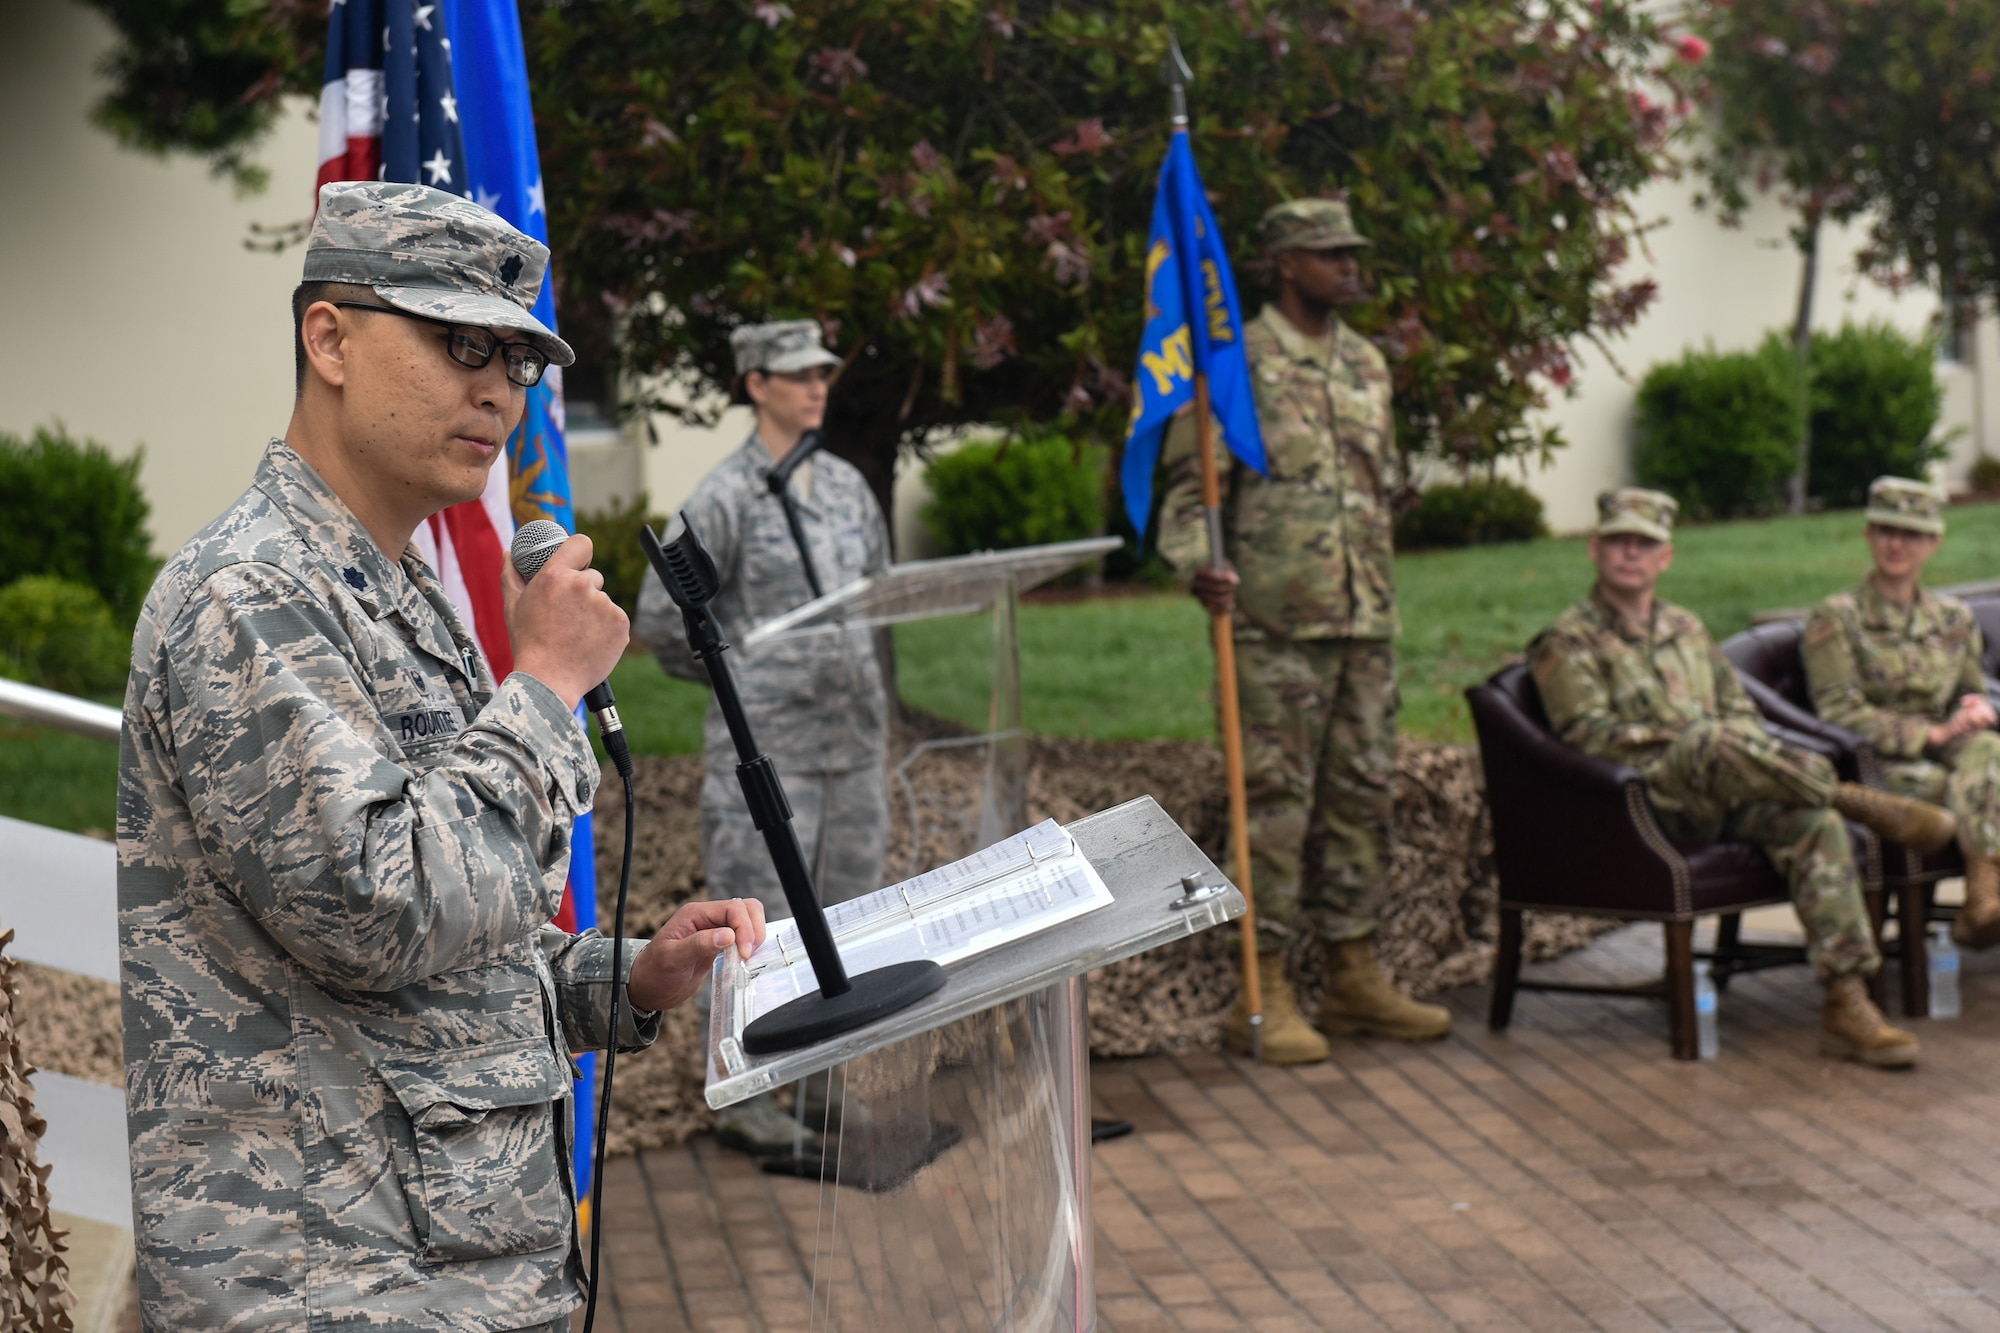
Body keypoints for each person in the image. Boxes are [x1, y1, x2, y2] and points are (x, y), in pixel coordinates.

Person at [117, 181, 766, 1332]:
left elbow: (461, 952)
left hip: (447, 1268)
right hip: (328, 1279)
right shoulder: (248, 597)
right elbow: (379, 908)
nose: (499, 392)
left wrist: (628, 977)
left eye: (517, 359)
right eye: (459, 342)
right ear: (329, 337)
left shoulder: (400, 587)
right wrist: (547, 688)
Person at [1157, 197, 1448, 1065]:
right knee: (1275, 808)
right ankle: (1269, 983)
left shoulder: (1365, 364)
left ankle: (1355, 971)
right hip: (1273, 628)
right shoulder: (1230, 364)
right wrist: (1195, 567)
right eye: (1330, 253)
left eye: (1353, 251)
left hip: (1365, 620)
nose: (1351, 266)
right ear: (1286, 263)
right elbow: (1186, 494)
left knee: (1362, 795)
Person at [1527, 487, 1959, 1068]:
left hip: (1727, 789)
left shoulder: (1687, 629)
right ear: (1594, 551)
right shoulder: (1566, 640)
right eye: (1618, 542)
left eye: (1644, 544)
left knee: (1815, 823)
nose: (1631, 553)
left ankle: (1847, 1001)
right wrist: (1692, 743)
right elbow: (1589, 737)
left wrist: (1731, 749)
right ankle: (1850, 793)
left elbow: (1739, 713)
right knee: (1708, 738)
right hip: (1646, 801)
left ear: (1666, 557)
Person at [635, 319, 891, 1153]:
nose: (817, 385)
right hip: (768, 754)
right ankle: (746, 1087)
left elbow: (878, 600)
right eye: (797, 374)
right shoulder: (723, 495)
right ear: (755, 384)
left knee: (846, 916)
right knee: (757, 927)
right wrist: (741, 686)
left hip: (852, 744)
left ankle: (819, 1084)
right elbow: (659, 619)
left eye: (823, 370)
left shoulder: (849, 486)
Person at [1804, 475, 2000, 948]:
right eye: (1886, 530)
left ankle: (1985, 896)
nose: (1896, 543)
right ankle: (1986, 899)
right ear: (1868, 535)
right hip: (1880, 769)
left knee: (1988, 750)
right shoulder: (1837, 617)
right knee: (1985, 788)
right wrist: (1928, 735)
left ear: (1934, 542)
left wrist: (1977, 707)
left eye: (1911, 533)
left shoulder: (1953, 618)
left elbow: (1971, 689)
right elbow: (1837, 711)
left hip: (1959, 758)